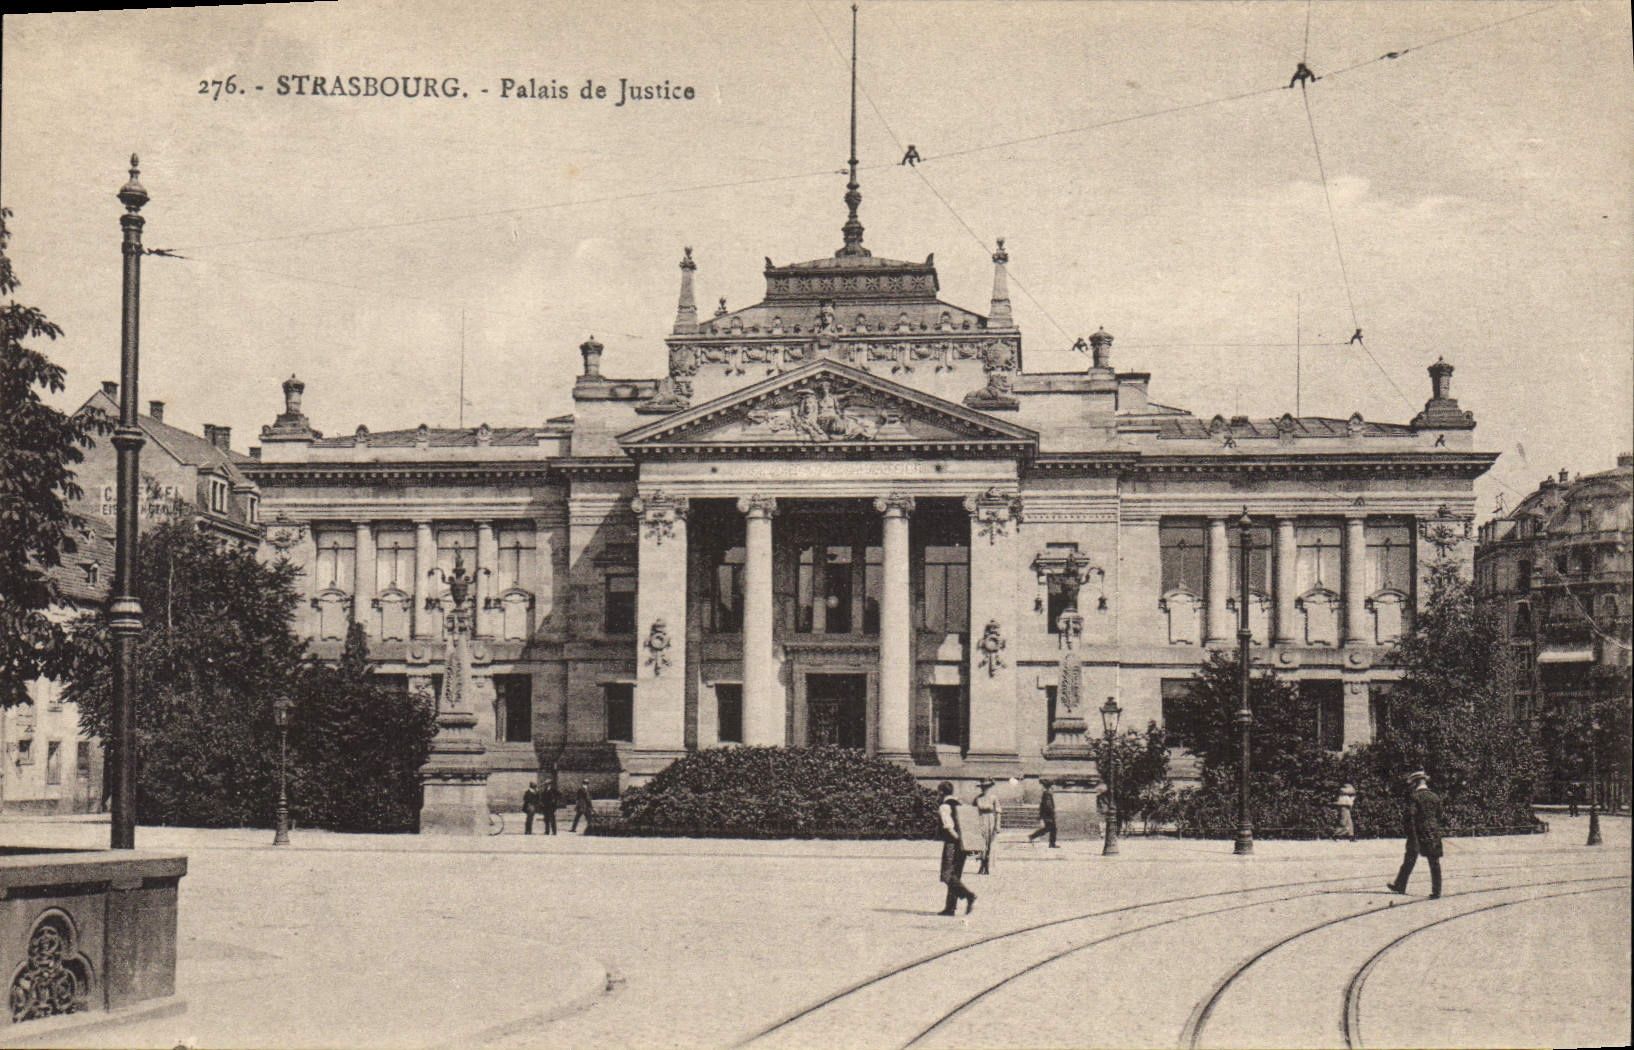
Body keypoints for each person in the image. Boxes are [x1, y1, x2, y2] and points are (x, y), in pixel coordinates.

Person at [1387, 770, 1443, 899]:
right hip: (1433, 832)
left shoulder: (1414, 796)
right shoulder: (1435, 796)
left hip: (1417, 832)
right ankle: (1437, 891)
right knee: (1434, 862)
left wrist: (1410, 832)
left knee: (1410, 859)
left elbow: (1410, 816)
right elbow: (1439, 815)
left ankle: (1400, 885)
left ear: (1415, 783)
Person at [935, 781, 976, 916]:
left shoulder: (944, 806)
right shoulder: (960, 805)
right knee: (956, 875)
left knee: (947, 875)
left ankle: (968, 895)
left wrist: (956, 840)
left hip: (952, 843)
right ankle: (950, 907)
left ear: (941, 792)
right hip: (964, 844)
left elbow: (948, 826)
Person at [974, 778, 1002, 874]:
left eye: (986, 787)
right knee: (982, 842)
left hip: (990, 820)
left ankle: (987, 865)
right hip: (980, 819)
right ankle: (982, 864)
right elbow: (973, 811)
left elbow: (998, 811)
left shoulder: (993, 797)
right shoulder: (978, 798)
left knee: (990, 842)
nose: (984, 789)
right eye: (982, 787)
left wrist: (997, 825)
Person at [1027, 779, 1058, 848]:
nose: (1053, 789)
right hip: (1048, 815)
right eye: (1052, 787)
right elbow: (1048, 805)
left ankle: (1033, 836)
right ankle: (1033, 836)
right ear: (1050, 787)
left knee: (1049, 828)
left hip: (1047, 814)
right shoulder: (1047, 794)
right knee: (1052, 829)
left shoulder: (1046, 794)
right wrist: (1052, 813)